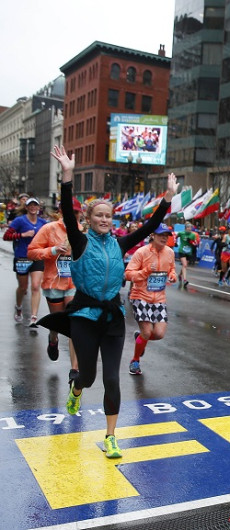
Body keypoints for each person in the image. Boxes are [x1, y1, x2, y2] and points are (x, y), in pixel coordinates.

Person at [44, 145, 177, 459]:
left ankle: (110, 436)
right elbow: (65, 208)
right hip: (84, 315)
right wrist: (67, 175)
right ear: (89, 219)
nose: (104, 219)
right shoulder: (78, 241)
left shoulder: (120, 243)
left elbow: (148, 226)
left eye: (108, 215)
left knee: (111, 379)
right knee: (87, 377)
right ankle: (76, 390)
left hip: (113, 317)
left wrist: (167, 198)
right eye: (99, 215)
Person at [26, 197, 83, 382]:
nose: (72, 216)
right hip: (54, 284)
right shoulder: (49, 229)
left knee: (75, 323)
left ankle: (75, 369)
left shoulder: (82, 231)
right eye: (69, 212)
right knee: (58, 322)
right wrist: (52, 251)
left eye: (75, 212)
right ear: (61, 211)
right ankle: (53, 338)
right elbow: (32, 251)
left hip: (74, 284)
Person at [124, 223, 177, 375]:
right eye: (161, 235)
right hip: (140, 296)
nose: (164, 238)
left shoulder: (170, 252)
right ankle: (135, 360)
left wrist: (172, 275)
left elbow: (172, 268)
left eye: (166, 235)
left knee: (159, 334)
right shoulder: (142, 252)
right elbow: (128, 274)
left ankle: (140, 339)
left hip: (159, 298)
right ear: (153, 235)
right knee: (147, 332)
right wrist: (146, 271)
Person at [3, 196, 47, 326]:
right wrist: (22, 235)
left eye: (35, 205)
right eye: (31, 205)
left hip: (37, 257)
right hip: (22, 257)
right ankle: (18, 307)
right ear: (26, 207)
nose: (33, 207)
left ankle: (34, 317)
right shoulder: (19, 221)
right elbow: (6, 236)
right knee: (23, 287)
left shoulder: (43, 223)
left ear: (39, 208)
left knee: (35, 286)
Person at [176, 222, 197, 287]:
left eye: (190, 227)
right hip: (182, 250)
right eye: (188, 227)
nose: (189, 229)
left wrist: (191, 242)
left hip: (189, 252)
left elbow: (195, 243)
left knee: (184, 266)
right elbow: (176, 236)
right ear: (185, 228)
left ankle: (180, 275)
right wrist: (175, 242)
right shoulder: (181, 233)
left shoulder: (193, 235)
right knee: (184, 265)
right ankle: (185, 280)